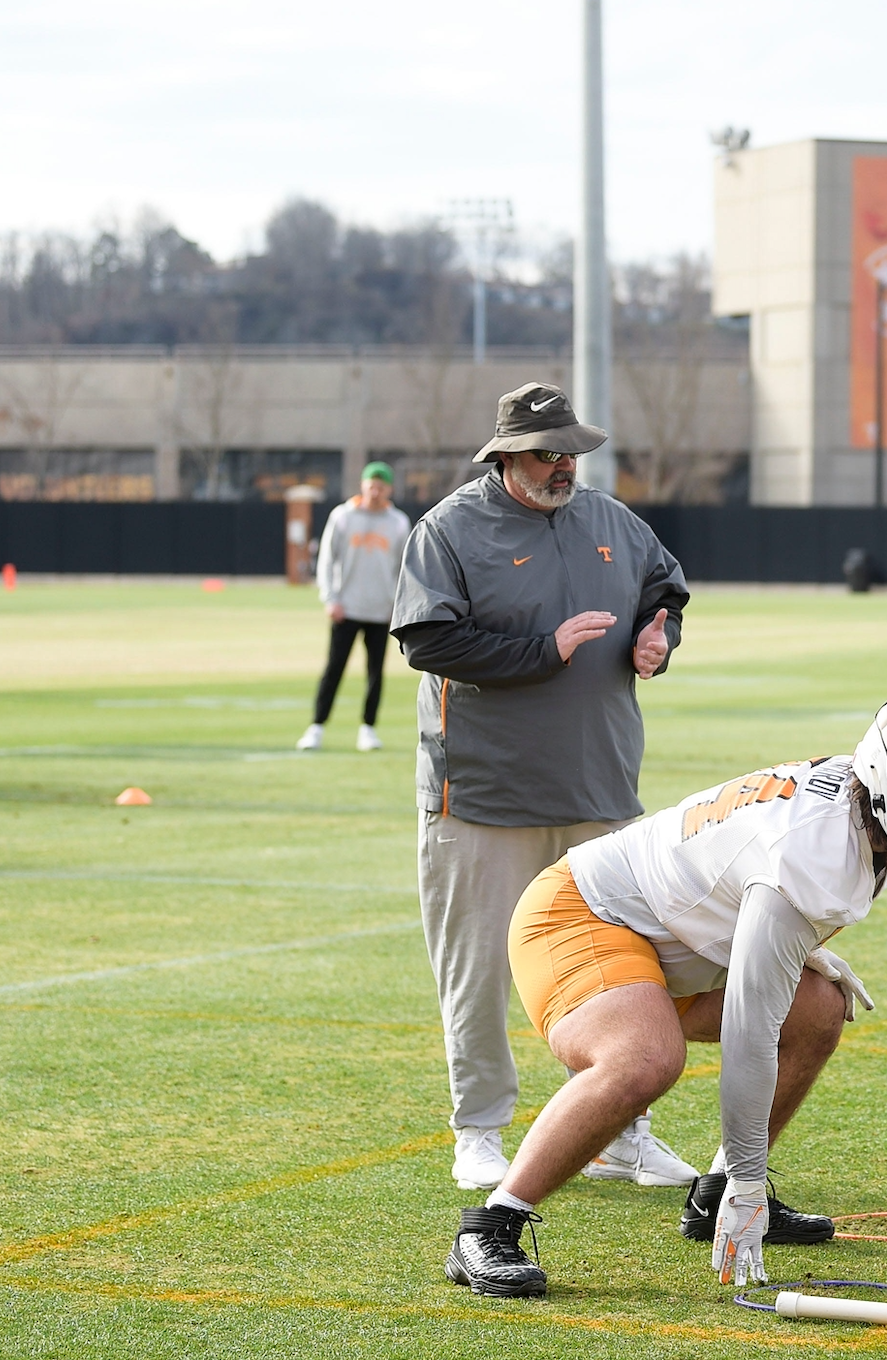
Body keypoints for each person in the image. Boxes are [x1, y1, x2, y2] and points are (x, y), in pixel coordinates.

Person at [442, 693, 887, 1297]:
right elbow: (750, 1033)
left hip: (676, 939)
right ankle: (490, 1225)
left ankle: (712, 1195)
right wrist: (750, 1178)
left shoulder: (864, 801)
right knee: (646, 1058)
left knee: (820, 1008)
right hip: (582, 913)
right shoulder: (813, 851)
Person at [392, 380, 698, 1192]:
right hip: (483, 796)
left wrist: (658, 640)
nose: (564, 465)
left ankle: (619, 1132)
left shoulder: (612, 521)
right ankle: (479, 1131)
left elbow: (664, 592)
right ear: (505, 457)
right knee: (478, 971)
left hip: (599, 787)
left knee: (618, 966)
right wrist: (543, 652)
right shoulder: (449, 530)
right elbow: (426, 642)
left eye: (571, 451)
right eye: (546, 453)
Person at [298, 462, 409, 753]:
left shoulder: (398, 522)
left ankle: (368, 728)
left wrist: (398, 605)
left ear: (389, 489)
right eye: (371, 485)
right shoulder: (343, 517)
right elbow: (326, 559)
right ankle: (317, 726)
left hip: (381, 610)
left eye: (381, 487)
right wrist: (330, 598)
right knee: (334, 668)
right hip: (346, 607)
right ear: (362, 485)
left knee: (375, 671)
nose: (375, 492)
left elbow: (404, 567)